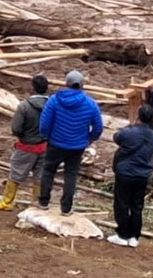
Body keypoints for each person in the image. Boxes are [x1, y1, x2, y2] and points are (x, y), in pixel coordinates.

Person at [38, 69, 103, 215]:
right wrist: (89, 139)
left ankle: (43, 201)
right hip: (77, 146)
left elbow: (44, 123)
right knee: (71, 174)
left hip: (55, 143)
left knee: (48, 170)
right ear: (82, 85)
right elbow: (98, 127)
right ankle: (66, 208)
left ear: (66, 83)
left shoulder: (54, 100)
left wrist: (45, 136)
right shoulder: (90, 104)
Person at [0, 75, 50, 211]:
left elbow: (16, 128)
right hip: (45, 146)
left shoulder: (24, 106)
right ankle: (37, 204)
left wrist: (22, 135)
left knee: (16, 173)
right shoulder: (51, 106)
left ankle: (7, 202)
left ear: (33, 87)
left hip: (26, 146)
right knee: (40, 176)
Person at [109, 104, 153, 247]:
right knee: (137, 205)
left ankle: (122, 234)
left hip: (125, 172)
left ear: (138, 116)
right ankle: (134, 237)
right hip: (143, 175)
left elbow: (116, 137)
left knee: (122, 203)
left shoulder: (129, 132)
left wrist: (130, 126)